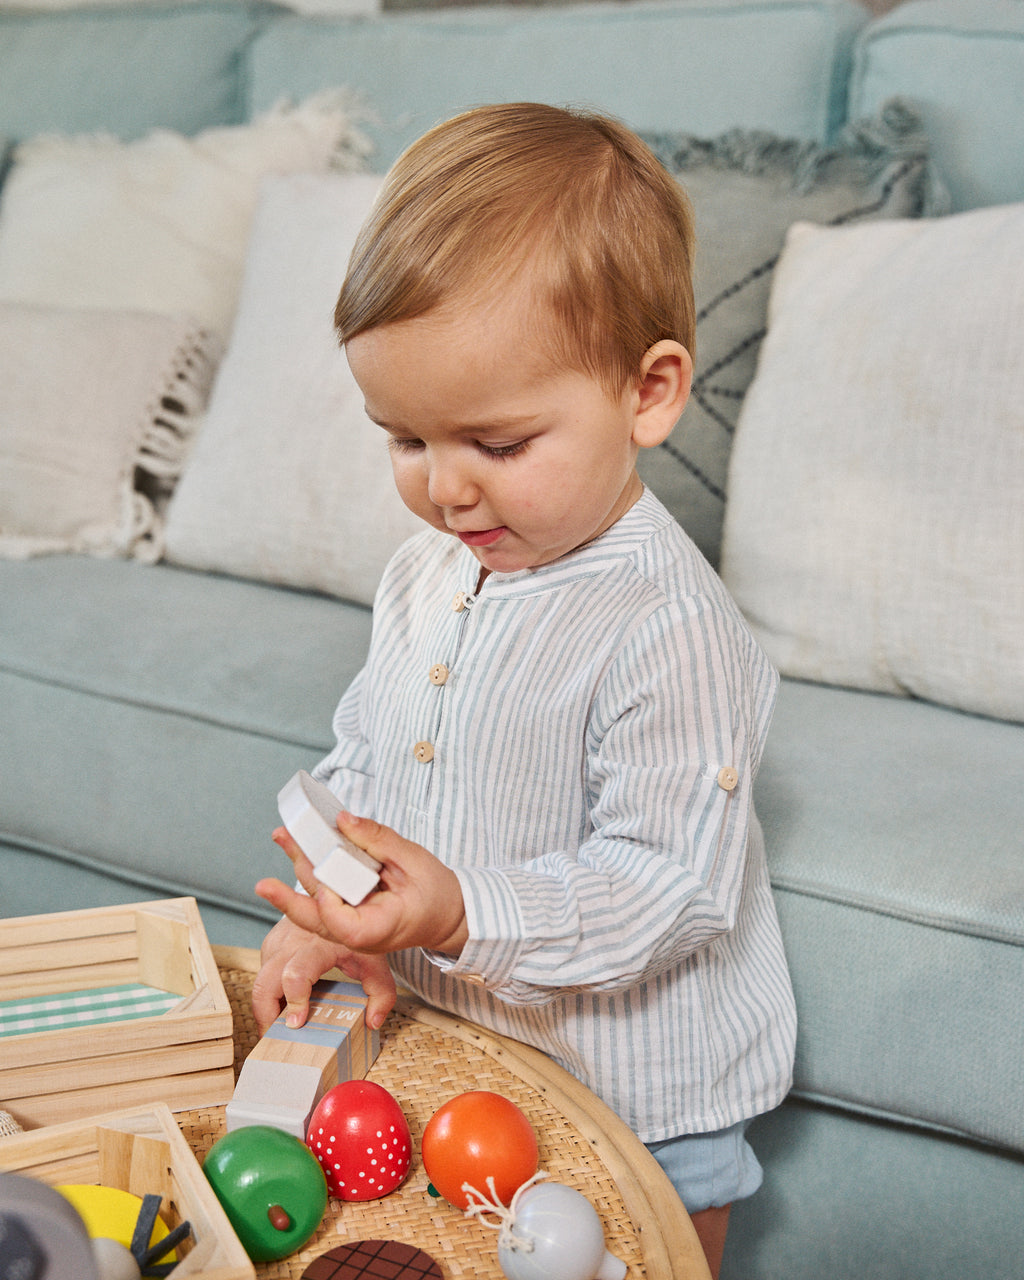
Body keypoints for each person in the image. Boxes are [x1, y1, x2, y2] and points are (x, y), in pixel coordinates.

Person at [252, 102, 796, 1278]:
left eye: (495, 443)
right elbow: (372, 754)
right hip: (469, 1065)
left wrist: (457, 914)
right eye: (404, 437)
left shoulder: (669, 625)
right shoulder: (426, 570)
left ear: (648, 394)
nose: (445, 487)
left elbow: (665, 888)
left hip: (641, 1102)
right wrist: (326, 906)